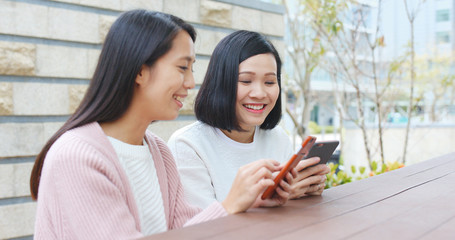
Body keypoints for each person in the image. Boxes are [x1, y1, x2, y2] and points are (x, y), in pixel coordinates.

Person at [29, 10, 290, 239]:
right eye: (182, 67)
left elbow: (187, 230)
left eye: (192, 69)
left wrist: (249, 202)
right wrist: (229, 205)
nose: (190, 82)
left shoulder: (159, 152)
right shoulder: (77, 157)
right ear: (140, 71)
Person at [168, 30, 330, 209]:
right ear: (221, 83)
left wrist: (304, 192)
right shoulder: (187, 145)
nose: (260, 94)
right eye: (245, 81)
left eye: (269, 82)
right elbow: (202, 228)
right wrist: (269, 200)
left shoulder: (278, 138)